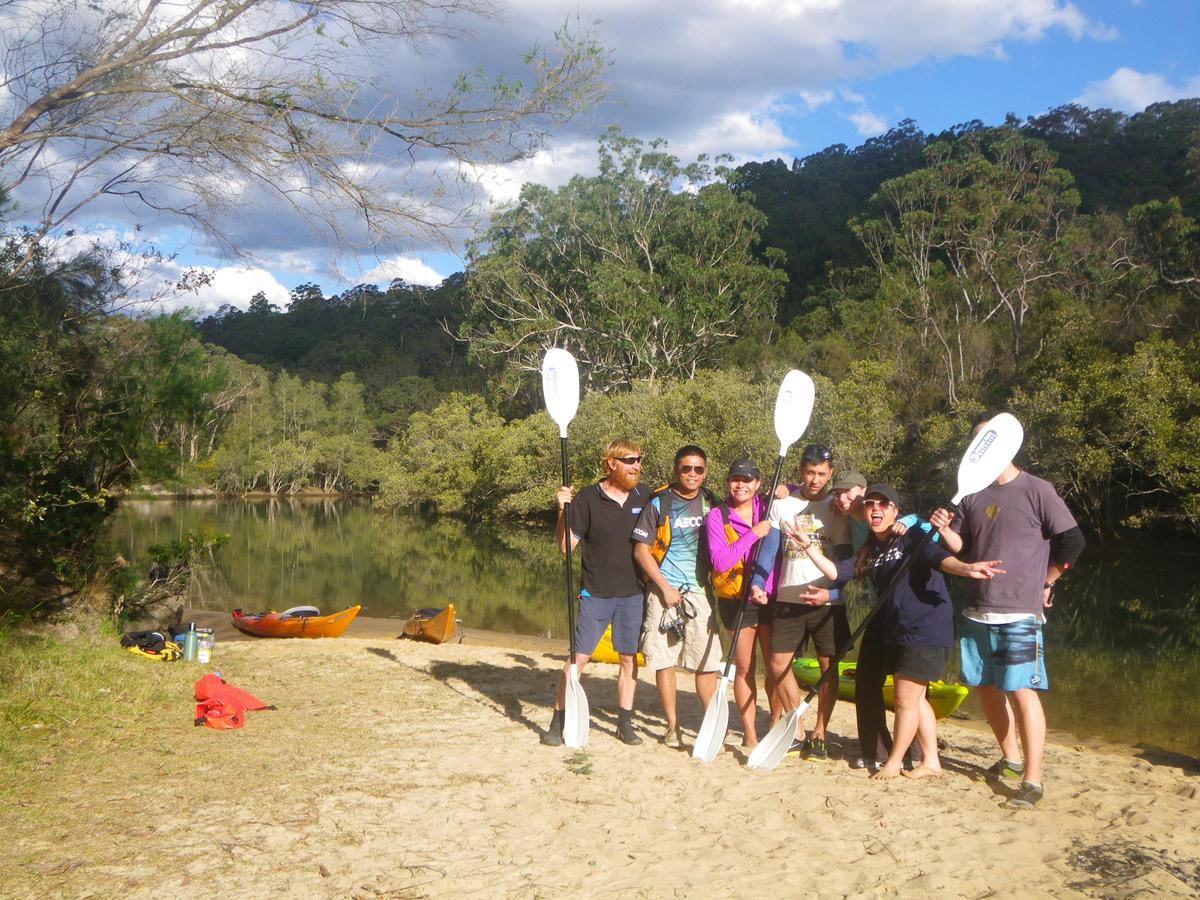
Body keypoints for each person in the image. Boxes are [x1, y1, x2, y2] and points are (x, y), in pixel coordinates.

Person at [931, 415, 1085, 808]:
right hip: (977, 609)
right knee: (984, 688)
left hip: (1019, 611)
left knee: (1021, 690)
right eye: (976, 439)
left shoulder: (1037, 489)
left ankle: (1032, 780)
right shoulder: (972, 493)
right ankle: (1011, 759)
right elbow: (961, 547)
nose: (980, 445)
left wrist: (1048, 582)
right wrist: (944, 529)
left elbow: (1072, 541)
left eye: (987, 438)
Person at [807, 483, 1005, 780]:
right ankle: (931, 761)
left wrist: (967, 569)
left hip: (925, 626)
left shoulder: (910, 536)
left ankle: (894, 761)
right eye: (870, 504)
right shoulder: (872, 549)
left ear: (895, 511)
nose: (876, 509)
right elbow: (837, 572)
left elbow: (940, 558)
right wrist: (807, 546)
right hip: (899, 628)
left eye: (883, 504)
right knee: (916, 699)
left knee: (904, 699)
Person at [749, 443, 851, 761]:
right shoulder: (783, 504)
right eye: (809, 472)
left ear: (830, 474)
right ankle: (797, 728)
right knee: (777, 663)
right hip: (788, 597)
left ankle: (820, 733)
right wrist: (757, 583)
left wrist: (831, 594)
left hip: (827, 603)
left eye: (821, 473)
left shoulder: (838, 509)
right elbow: (768, 551)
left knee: (828, 668)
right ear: (800, 471)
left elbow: (845, 565)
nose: (815, 479)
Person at [544, 439, 649, 747]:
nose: (636, 466)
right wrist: (562, 510)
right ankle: (557, 721)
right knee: (578, 658)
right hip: (596, 592)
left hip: (632, 593)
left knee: (629, 659)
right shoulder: (588, 498)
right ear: (611, 463)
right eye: (630, 461)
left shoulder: (645, 495)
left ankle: (624, 723)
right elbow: (566, 547)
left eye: (639, 460)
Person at [632, 445, 724, 749]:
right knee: (665, 661)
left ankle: (711, 724)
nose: (692, 474)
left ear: (705, 472)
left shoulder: (711, 501)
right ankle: (673, 726)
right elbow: (641, 551)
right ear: (676, 470)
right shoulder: (659, 503)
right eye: (686, 468)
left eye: (698, 469)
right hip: (663, 593)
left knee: (706, 662)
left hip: (700, 592)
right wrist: (664, 588)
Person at [705, 458, 776, 748]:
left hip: (768, 598)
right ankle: (750, 734)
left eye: (747, 480)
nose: (740, 485)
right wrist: (753, 534)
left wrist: (785, 489)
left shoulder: (768, 507)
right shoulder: (717, 516)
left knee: (775, 667)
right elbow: (720, 562)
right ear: (728, 483)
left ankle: (775, 724)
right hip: (735, 599)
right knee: (745, 668)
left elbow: (805, 492)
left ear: (757, 484)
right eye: (735, 479)